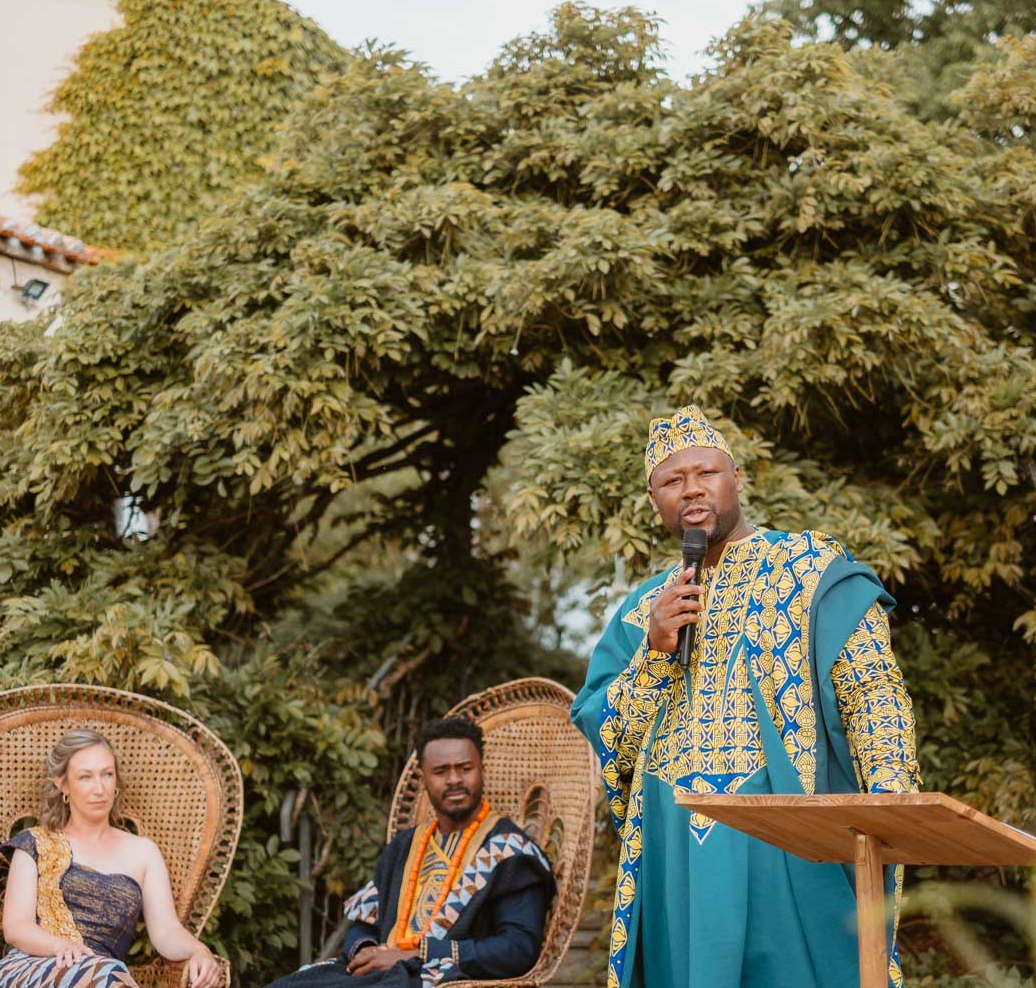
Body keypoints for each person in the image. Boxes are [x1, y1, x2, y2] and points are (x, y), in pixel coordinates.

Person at [571, 405, 922, 988]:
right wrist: (654, 652)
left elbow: (871, 693)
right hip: (677, 844)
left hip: (790, 838)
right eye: (671, 481)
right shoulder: (643, 609)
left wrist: (888, 807)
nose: (691, 490)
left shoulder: (811, 568)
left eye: (705, 472)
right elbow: (610, 739)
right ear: (654, 501)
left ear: (736, 479)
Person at [268, 716, 557, 988]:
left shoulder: (511, 851)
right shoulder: (405, 845)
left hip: (447, 979)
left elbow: (517, 949)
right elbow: (365, 921)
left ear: (482, 770)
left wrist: (416, 954)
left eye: (465, 768)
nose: (454, 779)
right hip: (380, 975)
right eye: (441, 771)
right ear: (424, 779)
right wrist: (369, 951)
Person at [0, 728, 222, 988]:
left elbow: (166, 931)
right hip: (32, 968)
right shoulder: (33, 843)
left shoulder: (143, 852)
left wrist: (200, 951)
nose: (99, 788)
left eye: (107, 774)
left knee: (106, 974)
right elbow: (15, 927)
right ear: (62, 783)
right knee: (108, 973)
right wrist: (61, 946)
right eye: (85, 777)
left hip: (103, 977)